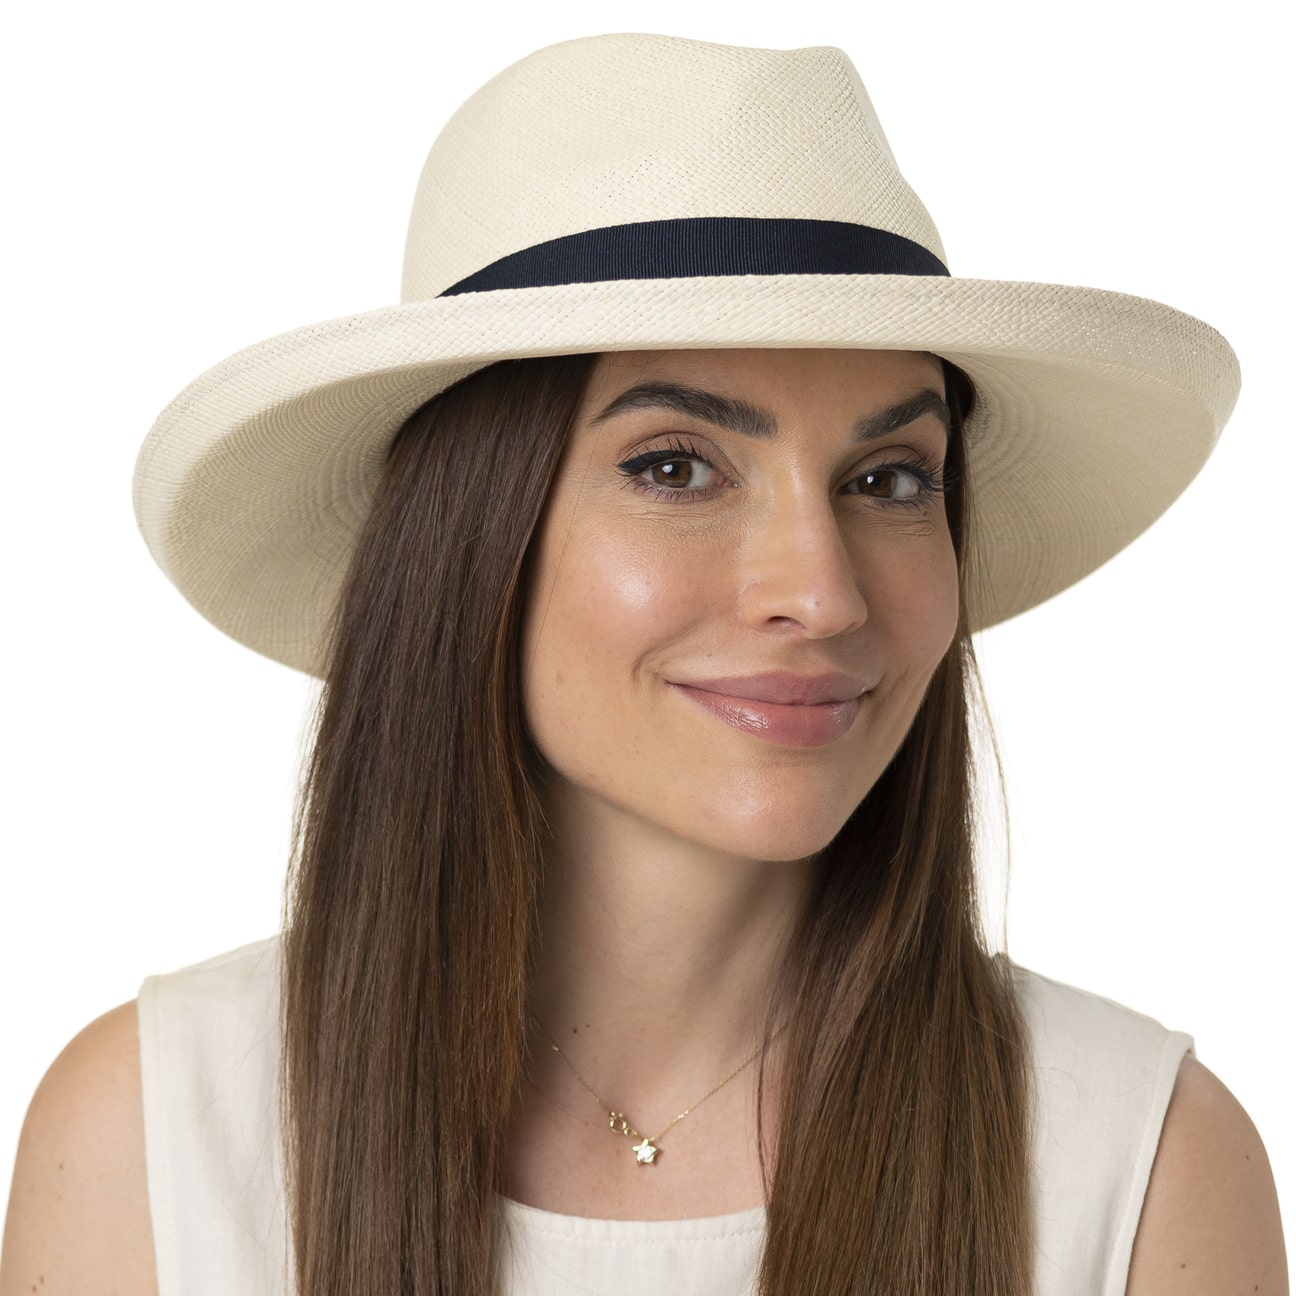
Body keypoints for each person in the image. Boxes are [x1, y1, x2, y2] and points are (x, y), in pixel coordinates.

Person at [0, 32, 1286, 1296]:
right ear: (470, 540)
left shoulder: (1137, 1168)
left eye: (891, 479)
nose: (821, 593)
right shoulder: (152, 1143)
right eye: (676, 467)